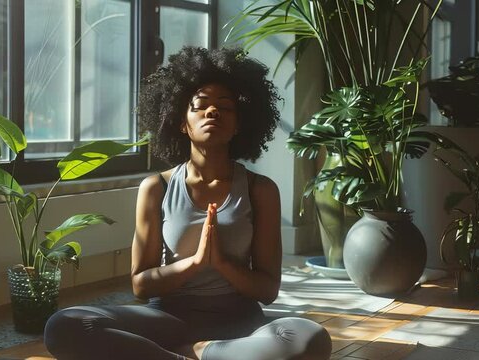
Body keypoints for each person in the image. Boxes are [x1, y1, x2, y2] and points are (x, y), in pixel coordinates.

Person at [44, 46, 332, 360]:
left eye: (226, 107)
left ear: (239, 124)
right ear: (182, 122)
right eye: (201, 106)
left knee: (311, 338)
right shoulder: (157, 187)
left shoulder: (259, 189)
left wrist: (221, 263)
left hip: (239, 323)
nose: (213, 112)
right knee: (63, 325)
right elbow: (141, 285)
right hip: (167, 322)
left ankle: (200, 351)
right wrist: (195, 262)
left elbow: (267, 290)